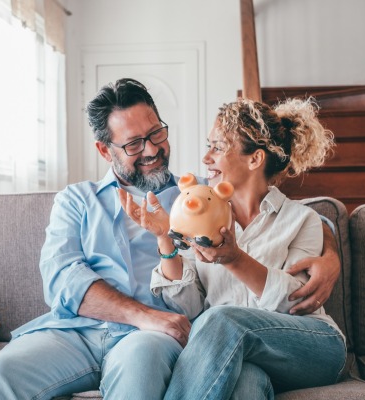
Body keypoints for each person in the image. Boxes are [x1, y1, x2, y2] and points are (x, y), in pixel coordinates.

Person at [0, 79, 340, 399]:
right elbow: (62, 278)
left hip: (153, 340)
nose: (151, 150)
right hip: (76, 332)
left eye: (156, 134)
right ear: (104, 149)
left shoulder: (196, 200)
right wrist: (145, 311)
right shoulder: (76, 200)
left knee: (147, 363)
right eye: (133, 144)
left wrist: (331, 242)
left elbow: (290, 214)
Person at [119, 96, 346, 399]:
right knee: (246, 385)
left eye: (218, 147)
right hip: (244, 356)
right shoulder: (198, 215)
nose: (206, 158)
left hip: (310, 347)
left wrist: (234, 259)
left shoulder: (301, 219)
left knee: (222, 319)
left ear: (255, 159)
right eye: (208, 146)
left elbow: (296, 304)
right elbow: (188, 308)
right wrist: (165, 238)